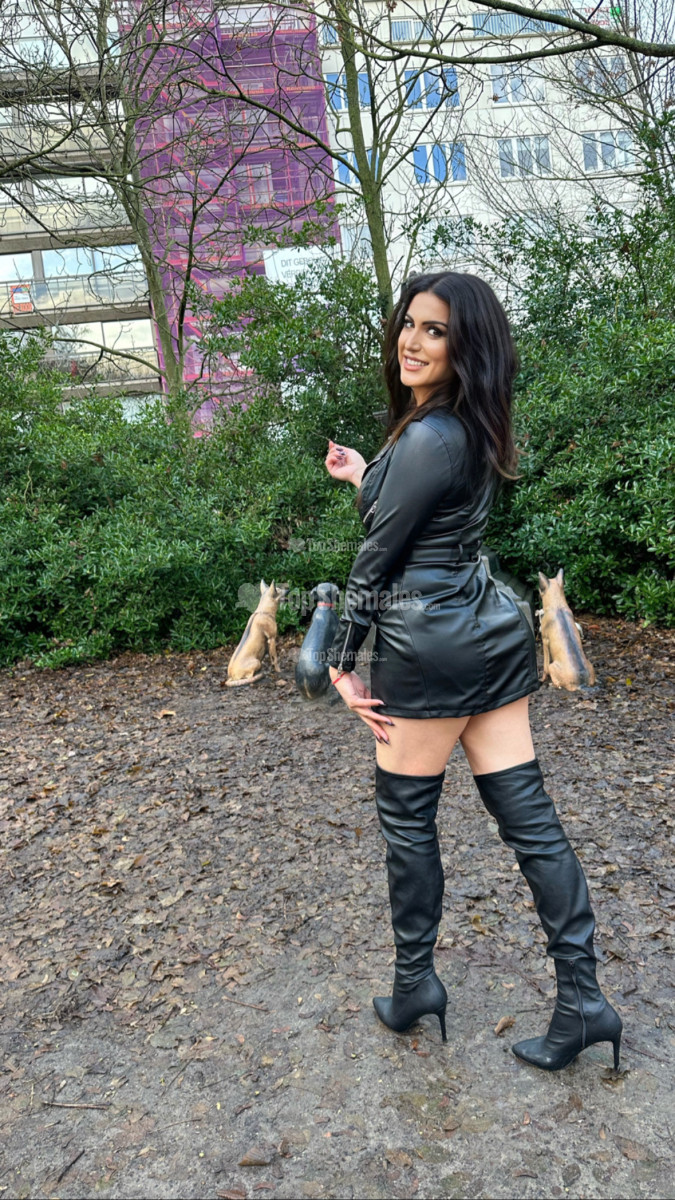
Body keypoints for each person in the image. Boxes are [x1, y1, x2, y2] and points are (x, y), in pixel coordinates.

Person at [323, 271, 622, 1071]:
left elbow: (378, 557)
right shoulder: (463, 423)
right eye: (408, 324)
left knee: (407, 820)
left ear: (466, 347)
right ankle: (583, 1002)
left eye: (435, 331)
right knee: (530, 822)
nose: (411, 341)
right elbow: (416, 521)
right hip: (486, 634)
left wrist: (340, 662)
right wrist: (364, 476)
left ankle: (415, 986)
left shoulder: (429, 435)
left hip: (429, 648)